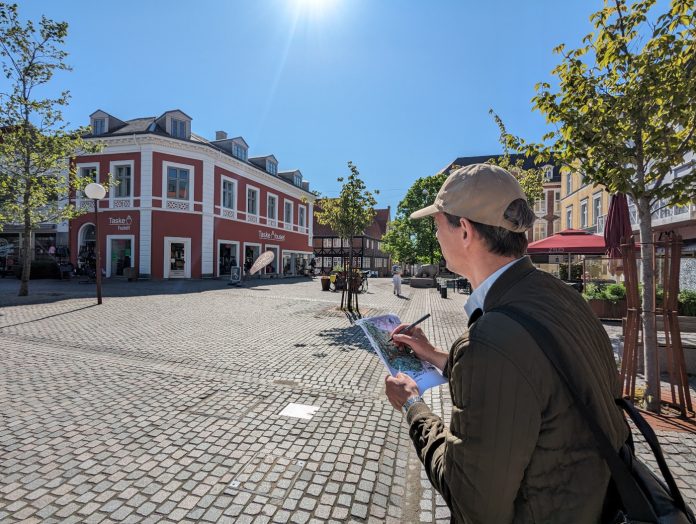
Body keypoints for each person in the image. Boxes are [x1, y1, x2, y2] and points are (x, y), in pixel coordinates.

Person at [384, 163, 628, 523]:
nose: (436, 237)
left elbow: (472, 504)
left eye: (438, 227)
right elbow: (532, 378)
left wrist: (413, 407)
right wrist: (434, 355)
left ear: (464, 230)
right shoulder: (563, 296)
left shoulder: (491, 340)